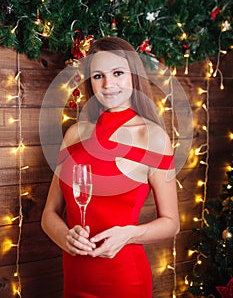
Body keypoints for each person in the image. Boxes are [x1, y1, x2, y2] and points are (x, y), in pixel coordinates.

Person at [41, 36, 180, 298]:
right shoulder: (74, 134)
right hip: (75, 279)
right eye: (98, 76)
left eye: (117, 73)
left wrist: (129, 234)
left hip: (125, 280)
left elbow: (172, 223)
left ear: (133, 76)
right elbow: (49, 214)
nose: (108, 84)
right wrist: (66, 238)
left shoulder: (153, 137)